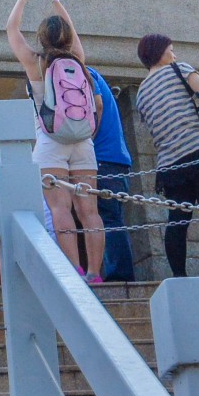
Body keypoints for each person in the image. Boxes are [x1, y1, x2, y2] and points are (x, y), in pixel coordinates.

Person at [5, 0, 105, 281]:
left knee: (60, 209)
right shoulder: (78, 59)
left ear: (42, 39)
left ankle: (73, 271)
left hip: (50, 140)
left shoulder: (36, 63)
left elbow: (11, 30)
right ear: (67, 37)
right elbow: (72, 31)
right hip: (83, 142)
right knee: (89, 210)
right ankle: (94, 273)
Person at [133, 34, 199, 277]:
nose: (174, 55)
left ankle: (179, 277)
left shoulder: (141, 93)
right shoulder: (179, 69)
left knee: (177, 221)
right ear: (160, 52)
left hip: (170, 164)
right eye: (171, 50)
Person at [84, 67, 136, 282]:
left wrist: (86, 140)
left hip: (102, 159)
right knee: (110, 218)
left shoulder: (82, 73)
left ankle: (118, 276)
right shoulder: (93, 74)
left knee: (109, 218)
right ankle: (116, 273)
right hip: (113, 159)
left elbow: (97, 105)